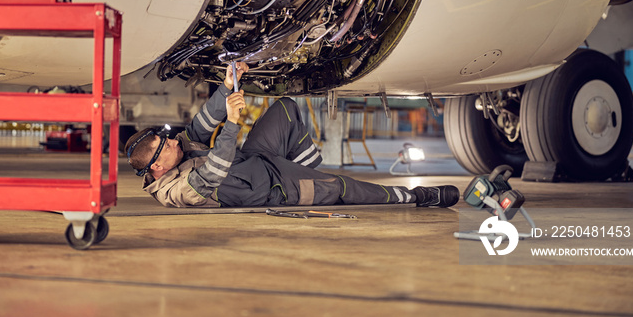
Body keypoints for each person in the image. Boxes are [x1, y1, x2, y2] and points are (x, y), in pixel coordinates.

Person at [125, 63, 460, 208]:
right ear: (156, 168)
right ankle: (415, 198)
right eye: (164, 146)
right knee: (344, 188)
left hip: (259, 159)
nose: (172, 141)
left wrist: (227, 85)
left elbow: (201, 123)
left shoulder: (178, 150)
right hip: (273, 190)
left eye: (165, 137)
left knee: (284, 109)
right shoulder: (175, 191)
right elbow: (213, 172)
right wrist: (232, 124)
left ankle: (311, 173)